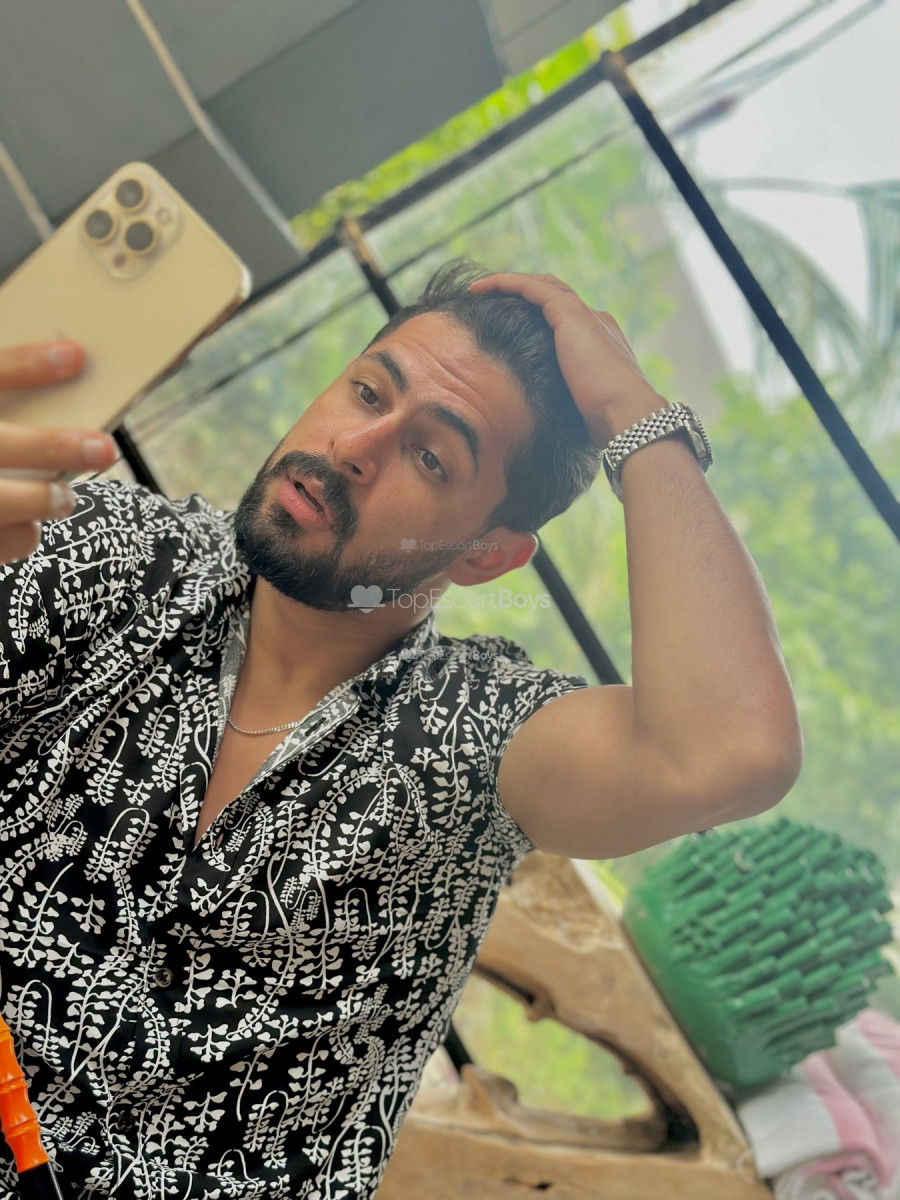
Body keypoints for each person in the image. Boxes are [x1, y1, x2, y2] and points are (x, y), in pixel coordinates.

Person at [0, 260, 804, 1199]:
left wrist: (634, 412)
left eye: (432, 457)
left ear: (487, 553)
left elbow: (728, 751)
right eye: (369, 392)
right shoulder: (105, 549)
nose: (356, 445)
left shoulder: (470, 735)